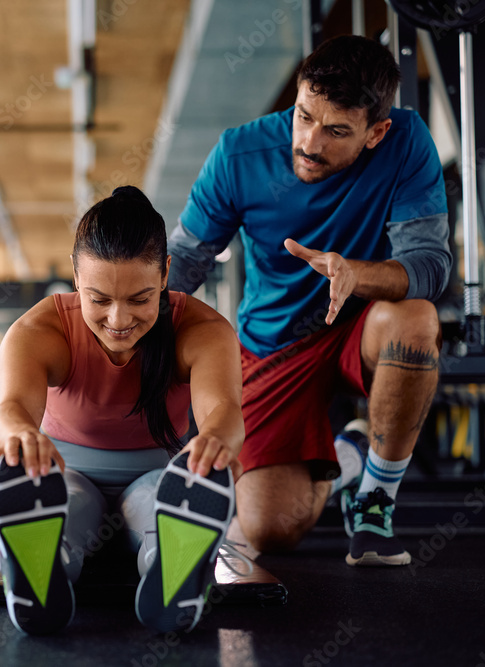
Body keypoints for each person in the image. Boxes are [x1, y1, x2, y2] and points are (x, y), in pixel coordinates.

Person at [167, 35, 451, 566]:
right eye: (303, 117)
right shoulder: (238, 154)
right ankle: (352, 455)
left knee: (416, 319)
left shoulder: (407, 141)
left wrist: (355, 274)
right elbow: (185, 259)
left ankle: (374, 503)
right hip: (274, 344)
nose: (310, 143)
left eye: (337, 130)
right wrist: (123, 322)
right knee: (269, 530)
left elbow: (430, 266)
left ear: (376, 132)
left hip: (360, 327)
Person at [0, 186, 244, 636]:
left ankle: (172, 565)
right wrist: (20, 434)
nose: (119, 320)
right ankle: (43, 562)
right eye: (99, 299)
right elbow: (12, 408)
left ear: (165, 273)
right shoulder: (41, 329)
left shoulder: (202, 329)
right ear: (75, 276)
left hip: (157, 473)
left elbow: (222, 408)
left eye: (139, 299)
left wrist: (215, 440)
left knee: (158, 505)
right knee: (65, 504)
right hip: (64, 470)